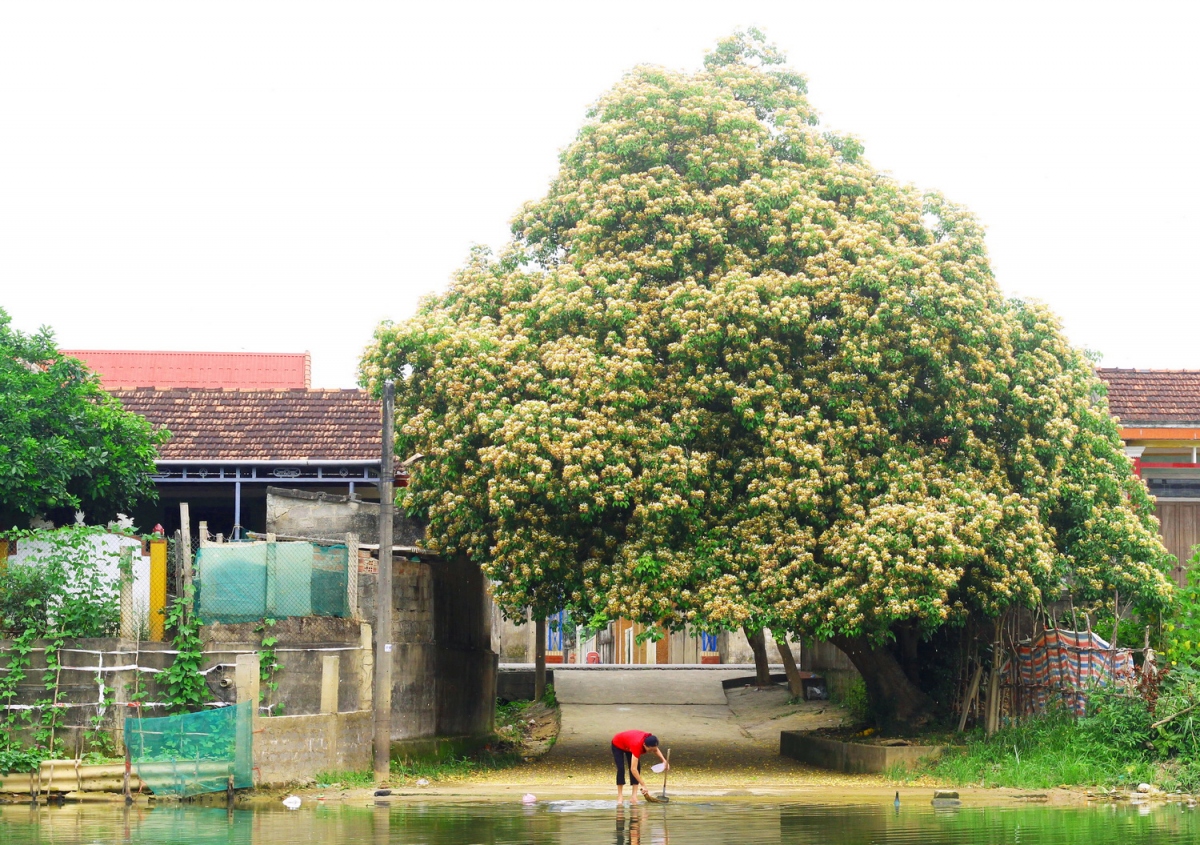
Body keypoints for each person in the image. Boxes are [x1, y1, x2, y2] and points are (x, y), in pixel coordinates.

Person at [611, 729, 668, 804]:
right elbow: (633, 769)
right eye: (650, 749)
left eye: (653, 749)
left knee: (637, 767)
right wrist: (643, 785)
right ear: (644, 745)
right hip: (618, 743)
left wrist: (664, 761)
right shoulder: (637, 745)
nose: (651, 751)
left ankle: (634, 796)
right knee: (621, 769)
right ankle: (620, 796)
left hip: (630, 743)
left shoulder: (651, 740)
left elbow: (656, 750)